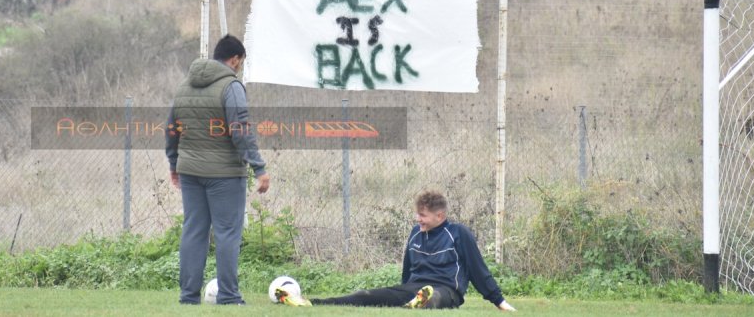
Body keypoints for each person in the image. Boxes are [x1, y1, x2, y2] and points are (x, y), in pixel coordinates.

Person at [276, 190, 515, 311]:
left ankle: (422, 300)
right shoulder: (415, 233)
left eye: (423, 215)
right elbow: (407, 268)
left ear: (440, 216)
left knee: (434, 297)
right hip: (412, 287)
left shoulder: (458, 233)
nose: (417, 219)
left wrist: (499, 302)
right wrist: (401, 289)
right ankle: (310, 302)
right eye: (417, 214)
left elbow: (477, 269)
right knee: (367, 296)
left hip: (447, 290)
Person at [166, 34, 270, 305]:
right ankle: (229, 296)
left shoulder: (183, 86)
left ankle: (188, 297)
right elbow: (240, 130)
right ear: (234, 59)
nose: (240, 67)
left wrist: (173, 163)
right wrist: (259, 167)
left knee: (194, 231)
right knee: (226, 233)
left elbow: (172, 129)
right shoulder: (231, 86)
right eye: (241, 62)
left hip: (189, 171)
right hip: (224, 174)